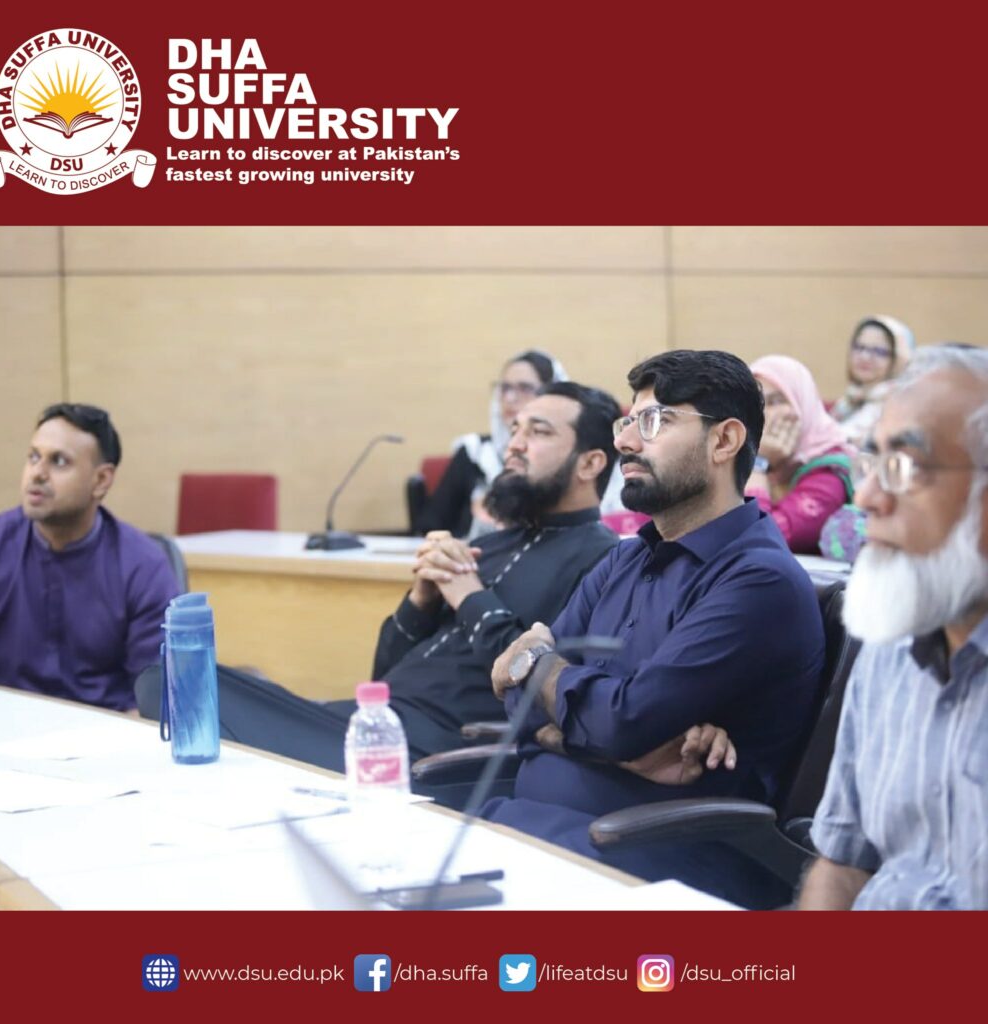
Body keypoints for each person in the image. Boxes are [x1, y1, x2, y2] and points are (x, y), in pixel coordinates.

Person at [485, 350, 825, 909]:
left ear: (724, 441)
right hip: (539, 832)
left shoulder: (758, 580)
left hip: (661, 861)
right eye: (628, 421)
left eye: (654, 421)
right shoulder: (624, 559)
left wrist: (540, 669)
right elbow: (523, 711)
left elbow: (622, 721)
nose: (625, 441)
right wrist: (610, 741)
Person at [173, 382, 623, 771]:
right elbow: (383, 674)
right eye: (516, 429)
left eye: (538, 432)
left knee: (193, 698)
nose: (514, 445)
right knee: (179, 688)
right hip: (373, 723)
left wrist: (469, 597)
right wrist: (420, 599)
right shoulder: (491, 546)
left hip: (438, 748)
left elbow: (538, 682)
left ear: (589, 464)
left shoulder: (602, 560)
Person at [799, 345, 988, 910]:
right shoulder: (888, 646)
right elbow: (843, 863)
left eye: (903, 467)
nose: (867, 498)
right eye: (870, 463)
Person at [0, 403, 180, 711]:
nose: (38, 473)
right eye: (33, 457)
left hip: (107, 732)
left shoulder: (143, 566)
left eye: (59, 461)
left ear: (101, 480)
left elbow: (155, 703)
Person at [415, 349, 568, 538]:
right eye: (505, 388)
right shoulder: (474, 452)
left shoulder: (563, 458)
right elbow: (431, 525)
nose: (510, 398)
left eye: (525, 388)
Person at [746, 354, 854, 553]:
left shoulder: (829, 474)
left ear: (803, 404)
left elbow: (756, 539)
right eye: (754, 402)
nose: (762, 413)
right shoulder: (739, 456)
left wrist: (758, 463)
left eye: (776, 401)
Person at [830, 315, 915, 446]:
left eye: (879, 351)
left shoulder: (895, 410)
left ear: (899, 359)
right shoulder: (849, 401)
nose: (865, 357)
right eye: (859, 347)